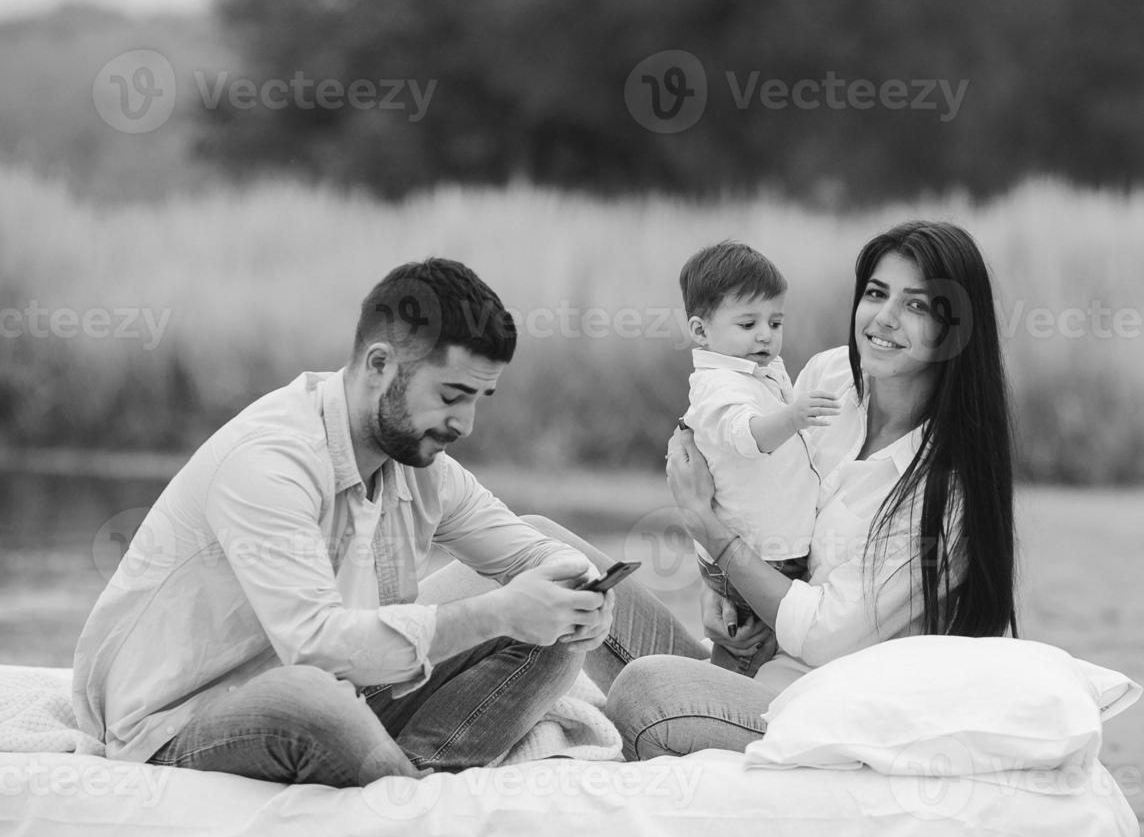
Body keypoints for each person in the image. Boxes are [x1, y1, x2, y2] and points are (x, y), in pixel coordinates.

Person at [71, 258, 617, 786]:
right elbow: (313, 647)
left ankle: (415, 775)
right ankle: (392, 784)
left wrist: (581, 597)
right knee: (310, 697)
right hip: (179, 722)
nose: (466, 423)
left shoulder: (422, 465)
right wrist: (500, 613)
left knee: (554, 594)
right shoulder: (270, 459)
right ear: (380, 366)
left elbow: (529, 554)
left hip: (346, 692)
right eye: (452, 395)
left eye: (480, 399)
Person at [522, 219, 1018, 759]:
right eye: (876, 293)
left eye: (916, 305)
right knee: (540, 548)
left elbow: (827, 635)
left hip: (811, 710)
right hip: (745, 662)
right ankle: (420, 705)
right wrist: (722, 592)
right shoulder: (831, 378)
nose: (885, 318)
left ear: (955, 331)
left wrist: (708, 531)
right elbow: (757, 493)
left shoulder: (945, 489)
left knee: (647, 689)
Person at [676, 241, 836, 674]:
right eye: (748, 323)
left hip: (771, 547)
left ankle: (725, 691)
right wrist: (795, 415)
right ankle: (720, 704)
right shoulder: (717, 386)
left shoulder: (761, 369)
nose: (765, 334)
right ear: (701, 330)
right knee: (747, 646)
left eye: (775, 321)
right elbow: (748, 437)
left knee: (760, 643)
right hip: (758, 551)